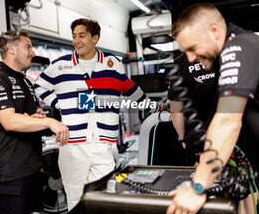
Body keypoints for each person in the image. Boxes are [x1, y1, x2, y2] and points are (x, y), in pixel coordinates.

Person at [34, 18, 164, 211]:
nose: (77, 41)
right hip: (72, 147)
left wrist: (154, 108)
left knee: (103, 201)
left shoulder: (112, 63)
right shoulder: (61, 65)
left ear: (95, 38)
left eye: (82, 36)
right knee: (75, 203)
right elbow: (39, 87)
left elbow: (131, 89)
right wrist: (61, 104)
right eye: (74, 36)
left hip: (104, 147)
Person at [166, 3, 259, 214]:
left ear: (214, 30)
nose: (191, 58)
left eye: (192, 48)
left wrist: (197, 187)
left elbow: (227, 120)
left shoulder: (239, 48)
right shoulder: (239, 48)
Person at [0, 30, 69, 214]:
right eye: (28, 47)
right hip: (9, 173)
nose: (33, 53)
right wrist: (49, 122)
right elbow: (10, 121)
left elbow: (35, 115)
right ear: (11, 49)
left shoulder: (26, 82)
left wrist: (39, 119)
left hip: (32, 167)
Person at [169, 52, 218, 166]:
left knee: (196, 179)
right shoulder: (224, 53)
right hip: (229, 136)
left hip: (196, 139)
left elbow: (176, 110)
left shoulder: (180, 62)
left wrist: (182, 139)